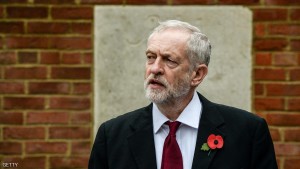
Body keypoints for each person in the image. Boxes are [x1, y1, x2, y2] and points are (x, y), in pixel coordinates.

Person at [88, 20, 278, 169]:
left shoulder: (247, 132)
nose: (155, 69)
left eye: (169, 60)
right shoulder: (112, 135)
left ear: (197, 74)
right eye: (151, 57)